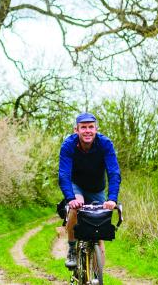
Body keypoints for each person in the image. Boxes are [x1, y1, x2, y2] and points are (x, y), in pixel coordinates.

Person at [58, 112, 121, 268]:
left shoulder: (105, 144)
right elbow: (64, 174)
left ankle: (97, 276)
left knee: (98, 231)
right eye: (83, 127)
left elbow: (113, 172)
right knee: (77, 205)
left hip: (97, 188)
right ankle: (72, 248)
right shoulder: (68, 146)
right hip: (76, 185)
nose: (87, 131)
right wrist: (70, 198)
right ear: (76, 130)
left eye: (91, 127)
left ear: (96, 129)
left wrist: (112, 199)